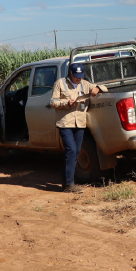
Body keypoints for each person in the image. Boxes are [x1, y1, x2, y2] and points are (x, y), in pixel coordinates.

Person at [49, 63, 107, 193]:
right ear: (71, 74)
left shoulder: (85, 84)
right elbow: (53, 102)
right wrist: (66, 103)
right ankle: (70, 184)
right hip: (65, 123)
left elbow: (104, 88)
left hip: (80, 123)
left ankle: (66, 181)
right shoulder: (60, 83)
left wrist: (97, 88)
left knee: (75, 152)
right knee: (71, 150)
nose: (78, 79)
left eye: (80, 76)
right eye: (76, 76)